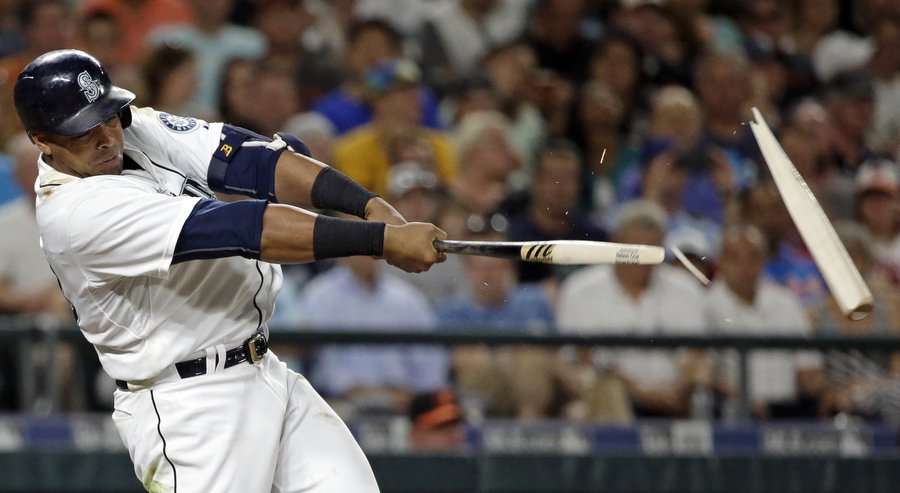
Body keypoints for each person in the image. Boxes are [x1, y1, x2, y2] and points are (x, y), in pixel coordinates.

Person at [14, 49, 447, 491]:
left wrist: (371, 206)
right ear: (42, 140)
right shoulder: (74, 214)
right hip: (191, 408)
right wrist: (381, 240)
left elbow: (252, 159)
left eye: (108, 115)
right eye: (83, 130)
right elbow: (245, 228)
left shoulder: (131, 127)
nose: (105, 136)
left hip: (264, 368)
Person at [706, 225, 825, 419]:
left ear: (764, 260)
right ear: (721, 261)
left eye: (753, 256)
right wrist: (743, 398)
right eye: (735, 257)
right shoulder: (708, 305)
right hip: (732, 409)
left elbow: (808, 368)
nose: (745, 265)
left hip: (788, 410)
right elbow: (706, 373)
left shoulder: (786, 301)